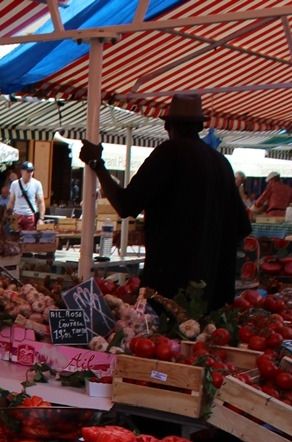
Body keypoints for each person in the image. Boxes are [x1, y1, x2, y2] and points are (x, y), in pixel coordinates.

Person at [80, 94, 251, 310]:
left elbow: (125, 205)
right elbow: (240, 228)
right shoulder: (221, 163)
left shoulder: (169, 153)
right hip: (211, 292)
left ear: (168, 126)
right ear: (200, 126)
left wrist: (97, 165)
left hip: (170, 286)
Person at [8, 161, 45, 231]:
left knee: (29, 239)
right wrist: (7, 216)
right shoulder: (14, 184)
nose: (30, 173)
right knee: (14, 238)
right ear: (22, 171)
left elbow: (41, 202)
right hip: (16, 215)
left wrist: (41, 218)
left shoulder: (37, 184)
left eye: (31, 171)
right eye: (28, 171)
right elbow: (11, 202)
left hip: (30, 215)